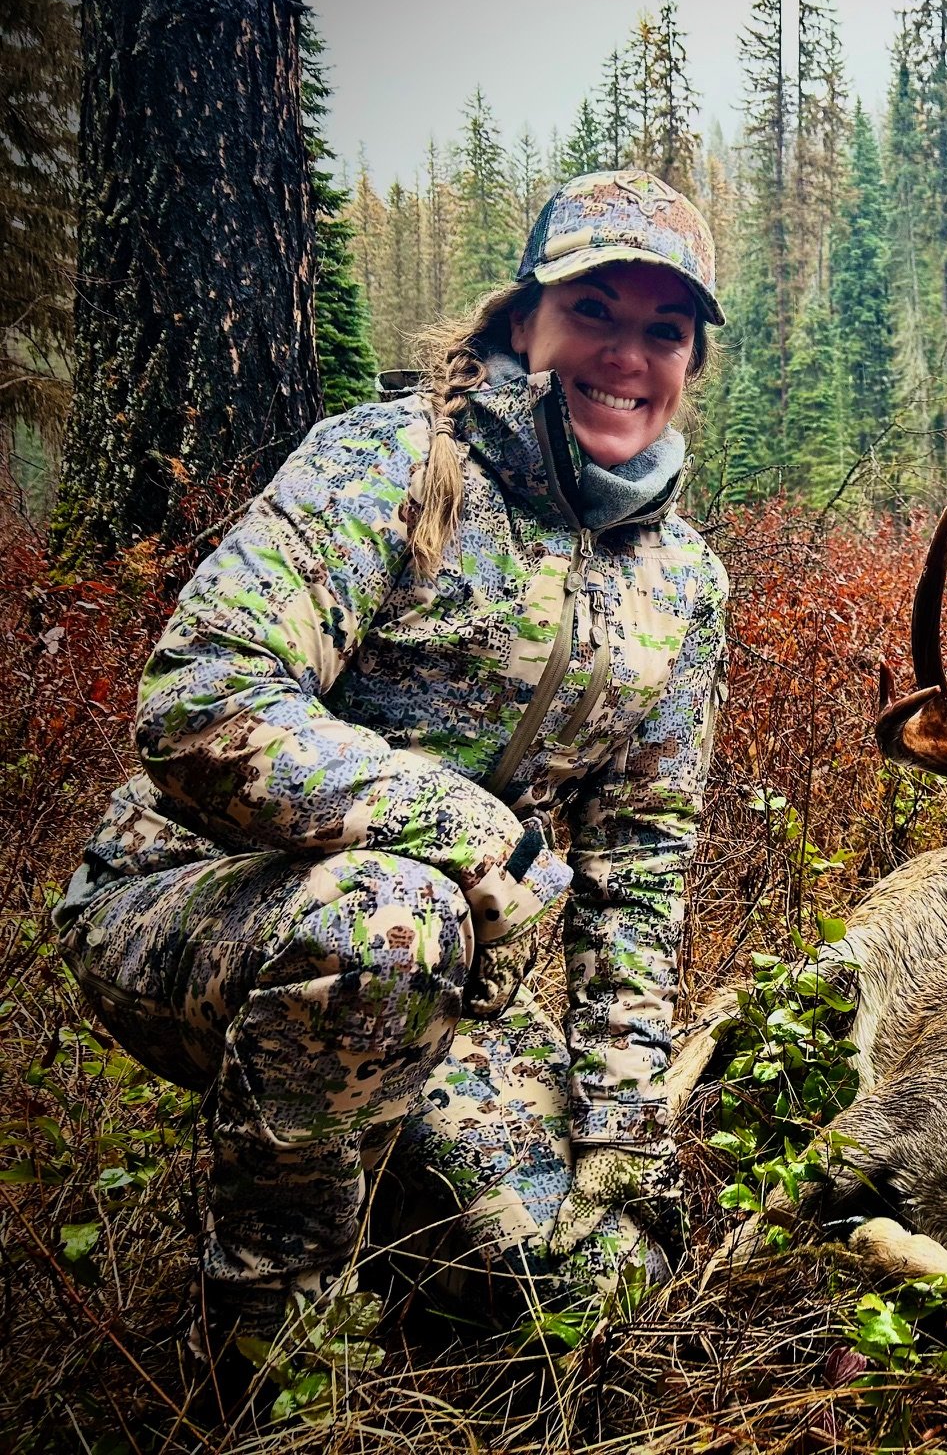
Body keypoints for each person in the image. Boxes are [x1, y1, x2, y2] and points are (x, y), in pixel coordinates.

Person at [55, 170, 730, 1373]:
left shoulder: (683, 584)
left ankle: (384, 1198)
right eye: (593, 311)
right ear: (524, 318)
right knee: (391, 917)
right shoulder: (391, 463)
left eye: (664, 331)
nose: (626, 357)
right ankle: (273, 1349)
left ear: (690, 362)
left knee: (604, 1279)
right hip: (194, 909)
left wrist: (622, 1118)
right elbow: (202, 697)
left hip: (443, 976)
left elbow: (643, 857)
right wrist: (468, 830)